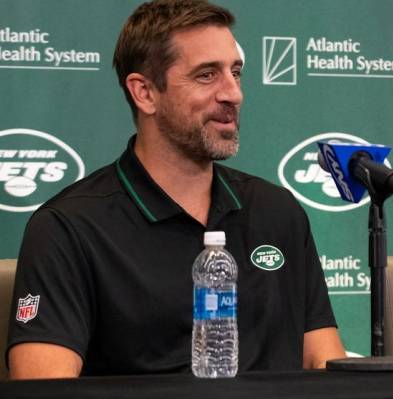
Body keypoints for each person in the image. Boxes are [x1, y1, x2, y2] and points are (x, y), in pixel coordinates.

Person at [5, 0, 345, 379]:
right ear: (145, 93)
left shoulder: (277, 210)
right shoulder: (68, 227)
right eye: (206, 76)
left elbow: (323, 363)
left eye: (236, 73)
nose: (233, 94)